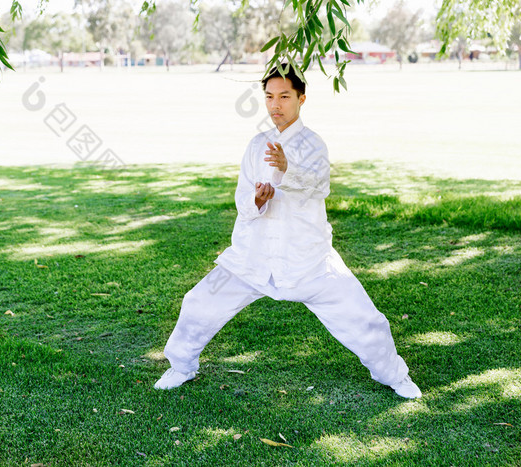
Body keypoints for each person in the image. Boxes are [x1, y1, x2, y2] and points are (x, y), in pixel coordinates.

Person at [154, 65, 422, 399]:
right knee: (197, 303)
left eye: (284, 96)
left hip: (308, 260)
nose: (275, 104)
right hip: (253, 256)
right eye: (269, 97)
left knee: (364, 319)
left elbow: (318, 187)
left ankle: (395, 375)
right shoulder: (256, 145)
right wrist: (257, 199)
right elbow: (242, 197)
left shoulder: (313, 145)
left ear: (301, 99)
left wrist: (287, 169)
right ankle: (181, 366)